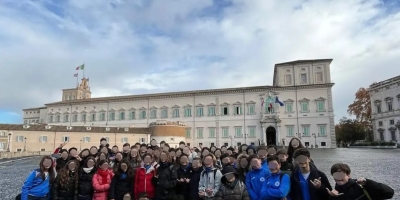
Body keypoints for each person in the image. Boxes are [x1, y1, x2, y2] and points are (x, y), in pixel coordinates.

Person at [327, 163, 394, 200]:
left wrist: (367, 182)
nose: (339, 178)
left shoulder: (362, 186)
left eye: (340, 174)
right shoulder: (335, 192)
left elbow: (389, 193)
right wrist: (332, 197)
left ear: (348, 175)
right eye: (335, 175)